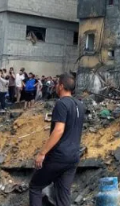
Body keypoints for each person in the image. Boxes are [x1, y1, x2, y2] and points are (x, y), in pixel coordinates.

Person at [29, 73, 86, 206]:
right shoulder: (80, 105)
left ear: (61, 86)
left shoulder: (61, 103)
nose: (55, 86)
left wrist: (42, 153)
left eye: (56, 84)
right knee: (63, 194)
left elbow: (59, 130)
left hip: (59, 156)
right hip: (73, 156)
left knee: (35, 186)